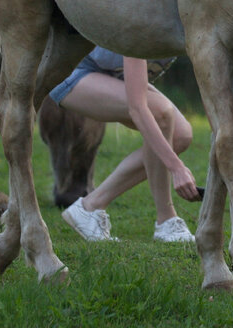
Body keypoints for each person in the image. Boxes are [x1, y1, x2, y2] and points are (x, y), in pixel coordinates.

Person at [53, 47, 200, 242]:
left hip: (113, 73)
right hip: (73, 69)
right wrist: (176, 168)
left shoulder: (193, 25)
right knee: (161, 113)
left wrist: (230, 163)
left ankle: (91, 206)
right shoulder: (147, 22)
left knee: (180, 135)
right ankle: (167, 220)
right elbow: (138, 109)